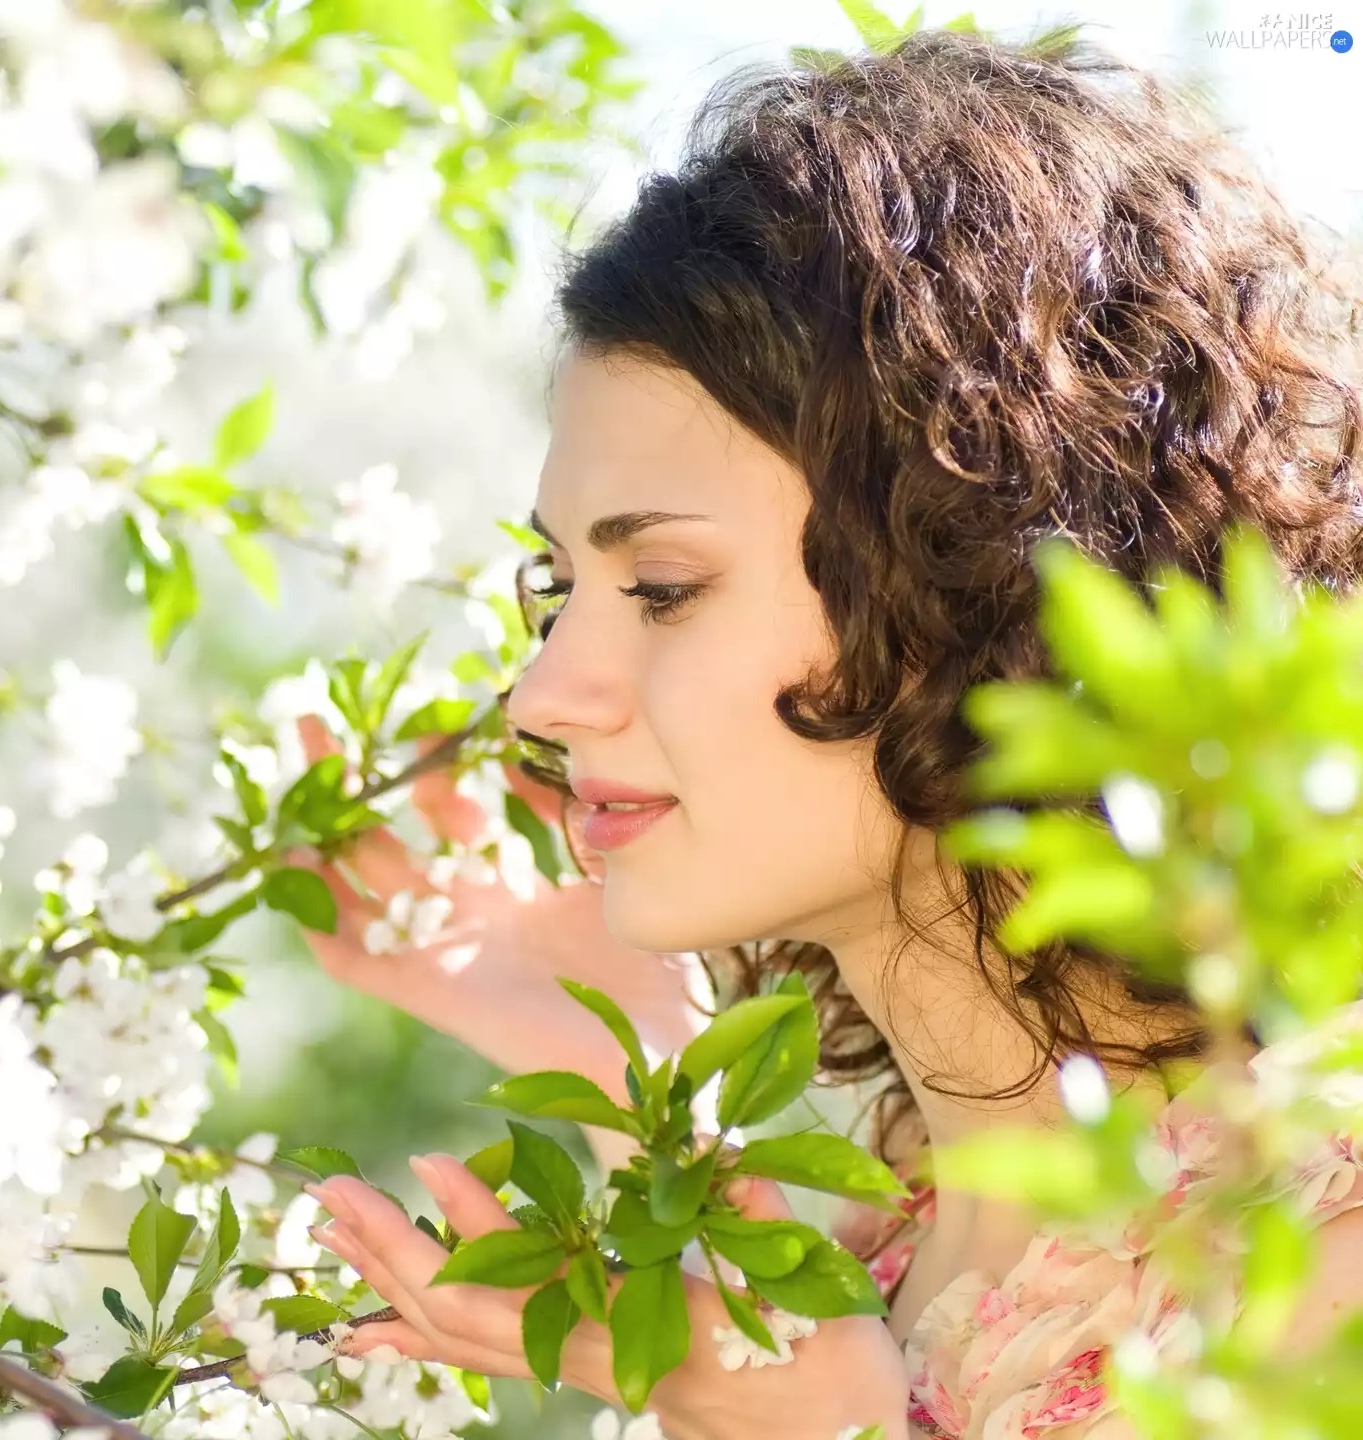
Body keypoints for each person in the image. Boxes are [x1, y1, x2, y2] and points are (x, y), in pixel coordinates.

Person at [289, 27, 1363, 1440]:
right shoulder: (906, 1259)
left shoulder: (1314, 1259)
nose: (543, 697)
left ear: (974, 575)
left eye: (662, 589)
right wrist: (640, 1076)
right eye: (562, 591)